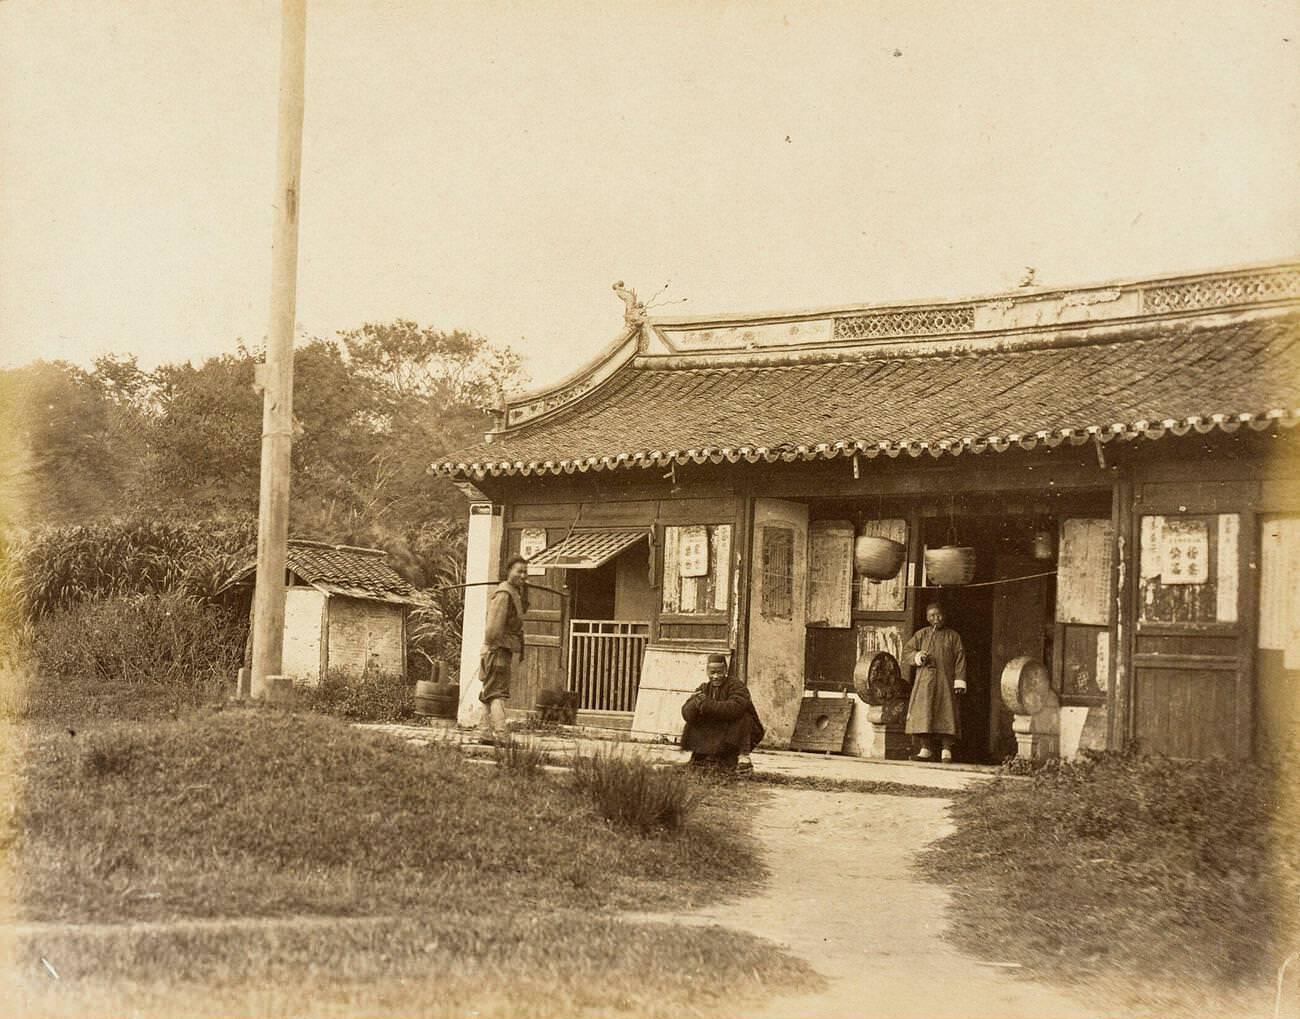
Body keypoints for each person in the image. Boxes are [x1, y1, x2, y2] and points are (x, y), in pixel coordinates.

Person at [901, 602, 967, 763]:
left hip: (946, 681)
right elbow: (907, 651)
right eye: (932, 616)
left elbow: (960, 660)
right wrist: (918, 656)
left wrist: (959, 681)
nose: (936, 619)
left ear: (944, 616)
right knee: (925, 713)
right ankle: (926, 749)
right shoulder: (922, 634)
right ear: (927, 618)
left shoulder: (953, 636)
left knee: (946, 713)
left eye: (939, 615)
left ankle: (946, 749)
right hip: (925, 681)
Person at [680, 653, 765, 773]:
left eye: (719, 672)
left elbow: (735, 708)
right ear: (707, 672)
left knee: (744, 717)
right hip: (719, 732)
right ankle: (702, 756)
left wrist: (707, 704)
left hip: (739, 732)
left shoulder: (737, 686)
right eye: (712, 672)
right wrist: (693, 703)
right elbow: (686, 715)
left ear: (725, 670)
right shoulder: (703, 688)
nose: (715, 676)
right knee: (695, 718)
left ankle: (743, 758)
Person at [478, 554, 529, 743]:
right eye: (519, 571)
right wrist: (489, 646)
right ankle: (502, 735)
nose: (523, 575)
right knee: (497, 692)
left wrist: (525, 589)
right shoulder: (504, 594)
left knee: (489, 691)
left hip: (502, 649)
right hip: (497, 649)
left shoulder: (514, 593)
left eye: (525, 572)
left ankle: (484, 732)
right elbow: (493, 627)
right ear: (508, 571)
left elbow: (522, 611)